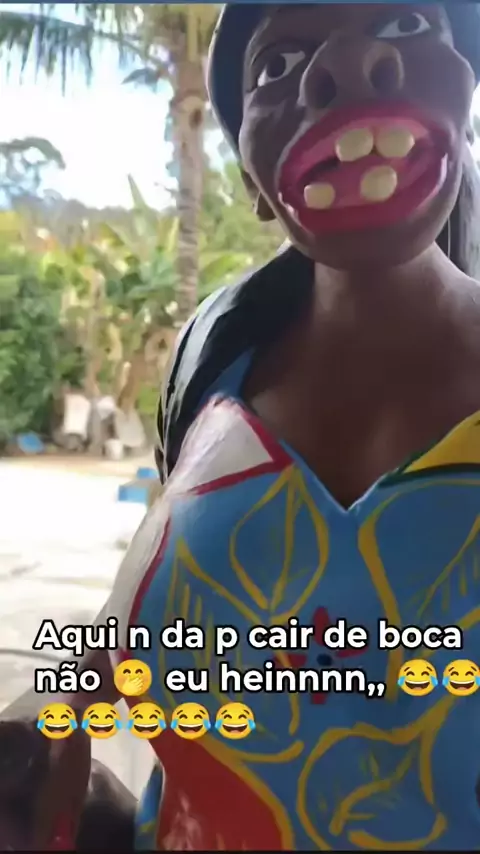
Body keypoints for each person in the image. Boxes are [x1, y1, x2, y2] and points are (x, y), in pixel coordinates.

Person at [3, 2, 480, 849]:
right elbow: (148, 603)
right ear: (255, 186)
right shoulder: (216, 366)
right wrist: (59, 699)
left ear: (463, 92)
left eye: (405, 24)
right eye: (277, 66)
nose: (348, 62)